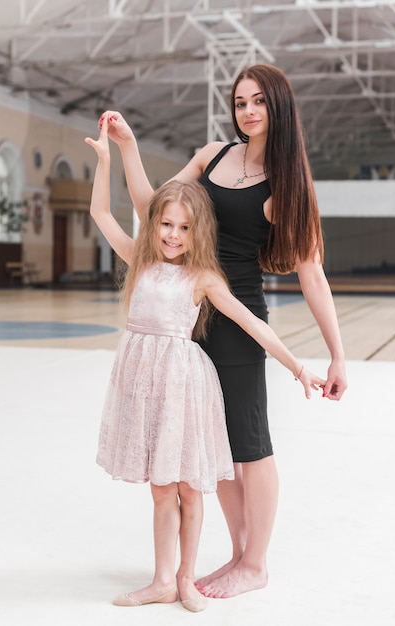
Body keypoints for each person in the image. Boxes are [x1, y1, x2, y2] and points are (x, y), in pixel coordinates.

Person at [97, 63, 347, 600]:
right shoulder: (211, 156)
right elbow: (154, 209)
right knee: (216, 448)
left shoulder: (286, 186)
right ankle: (236, 554)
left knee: (249, 445)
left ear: (278, 108)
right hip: (187, 316)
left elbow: (312, 274)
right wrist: (129, 146)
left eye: (259, 101)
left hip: (236, 320)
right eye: (240, 102)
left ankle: (254, 563)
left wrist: (337, 356)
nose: (249, 111)